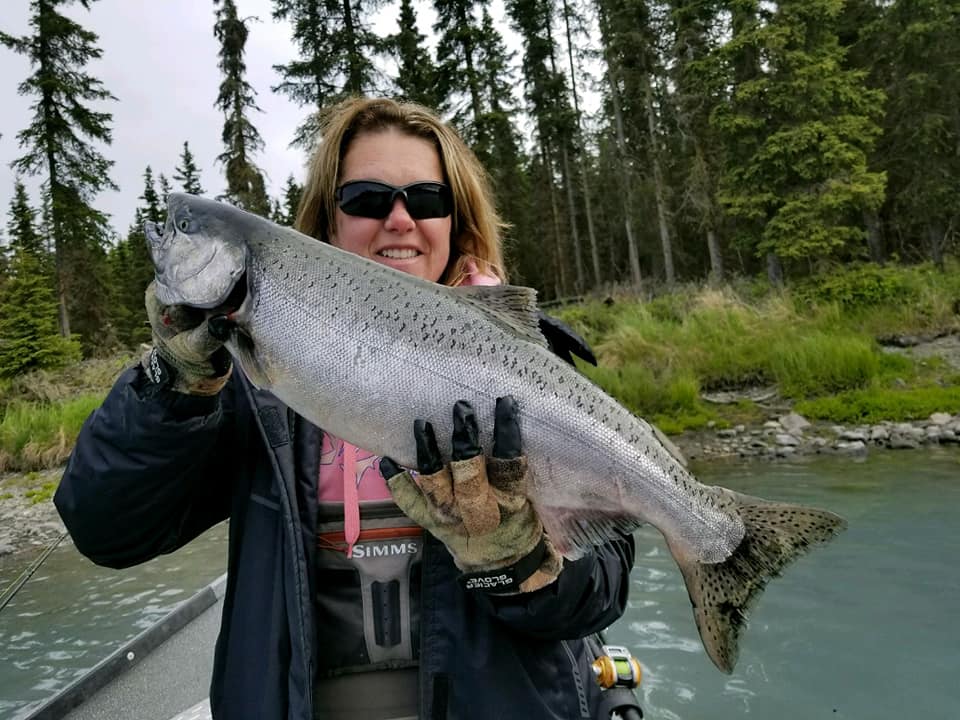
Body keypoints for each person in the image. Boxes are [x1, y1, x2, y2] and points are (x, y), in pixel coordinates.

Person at [55, 97, 637, 720]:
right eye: (366, 199)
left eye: (427, 199)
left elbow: (598, 595)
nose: (400, 219)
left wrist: (518, 562)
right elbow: (106, 530)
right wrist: (170, 384)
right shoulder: (247, 377)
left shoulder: (530, 365)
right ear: (328, 223)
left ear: (454, 218)